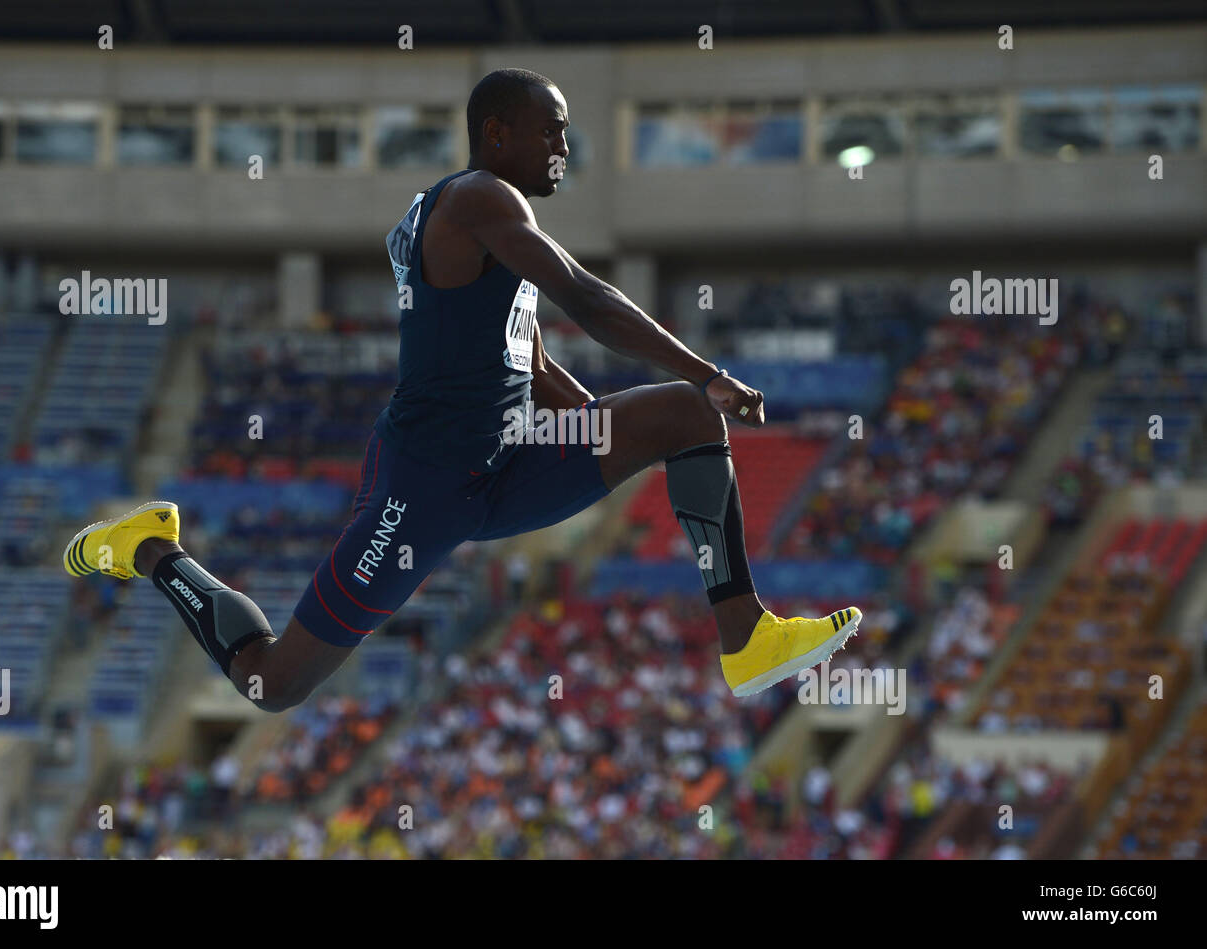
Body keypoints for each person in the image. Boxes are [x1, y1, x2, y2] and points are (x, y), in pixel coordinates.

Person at [63, 68, 861, 712]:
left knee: (683, 421)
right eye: (550, 128)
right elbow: (586, 296)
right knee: (274, 683)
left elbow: (537, 366)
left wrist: (604, 444)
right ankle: (152, 548)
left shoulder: (493, 231)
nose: (563, 145)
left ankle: (746, 635)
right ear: (495, 133)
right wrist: (708, 371)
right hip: (426, 485)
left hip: (505, 462)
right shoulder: (481, 198)